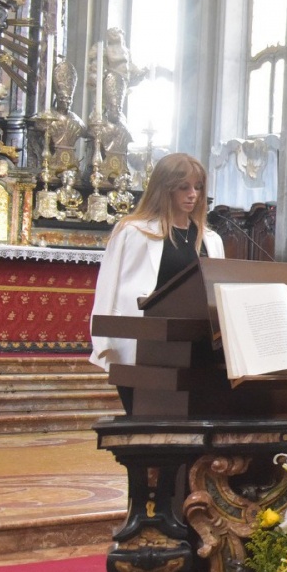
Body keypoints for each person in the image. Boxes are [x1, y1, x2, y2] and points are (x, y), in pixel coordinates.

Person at [90, 152, 225, 413]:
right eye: (184, 187)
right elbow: (108, 288)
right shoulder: (133, 231)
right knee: (145, 419)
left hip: (196, 349)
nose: (193, 195)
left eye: (198, 187)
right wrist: (105, 344)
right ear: (165, 188)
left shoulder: (210, 239)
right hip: (144, 344)